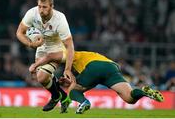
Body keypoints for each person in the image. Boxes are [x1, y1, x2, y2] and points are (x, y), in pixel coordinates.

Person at [29, 51, 164, 114]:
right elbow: (80, 78)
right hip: (111, 67)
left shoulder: (70, 53)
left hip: (94, 67)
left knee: (73, 91)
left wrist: (36, 65)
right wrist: (68, 81)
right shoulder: (85, 56)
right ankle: (144, 91)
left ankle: (84, 102)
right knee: (130, 97)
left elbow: (51, 56)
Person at [16, 0, 75, 113]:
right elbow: (19, 33)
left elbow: (70, 46)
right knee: (43, 79)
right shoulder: (32, 13)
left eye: (44, 7)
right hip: (41, 47)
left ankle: (55, 96)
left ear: (52, 6)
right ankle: (63, 97)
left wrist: (67, 69)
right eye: (39, 6)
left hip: (58, 48)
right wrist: (30, 44)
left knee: (42, 76)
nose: (41, 10)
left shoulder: (60, 19)